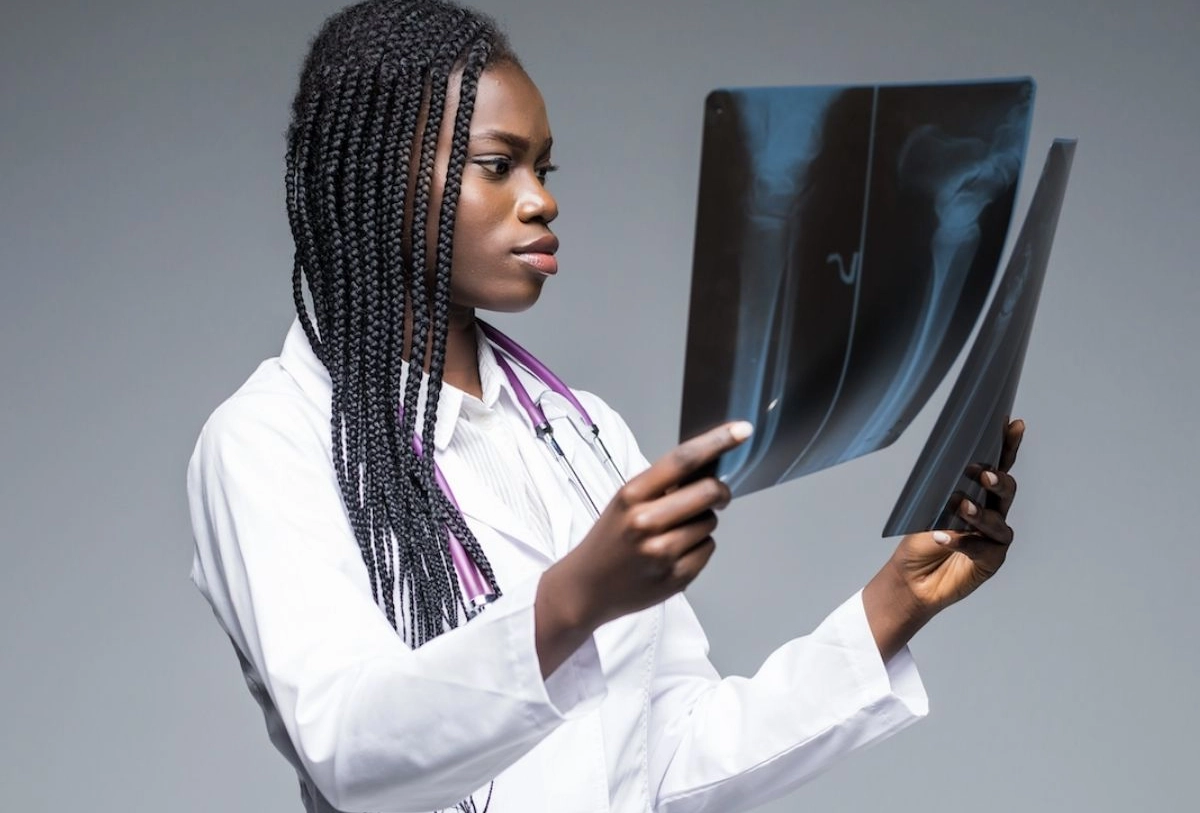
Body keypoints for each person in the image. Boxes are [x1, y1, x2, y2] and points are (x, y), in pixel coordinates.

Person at [186, 2, 1026, 811]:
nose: (542, 198)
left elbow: (669, 760)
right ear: (374, 175)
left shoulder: (583, 434)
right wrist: (576, 596)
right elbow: (349, 750)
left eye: (543, 168)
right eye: (497, 164)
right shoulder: (267, 440)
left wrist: (895, 604)